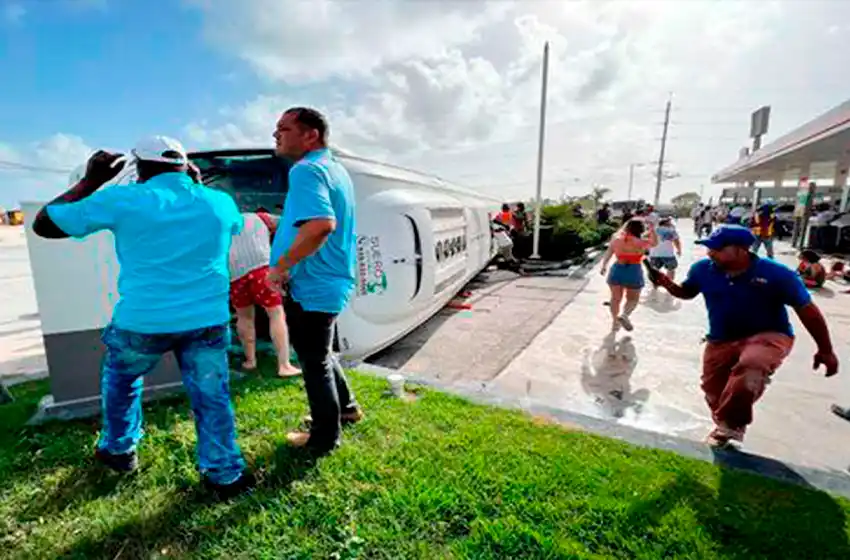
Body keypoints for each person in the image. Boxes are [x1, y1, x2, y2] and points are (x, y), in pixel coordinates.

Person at [31, 137, 254, 497]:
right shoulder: (220, 203)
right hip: (206, 320)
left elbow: (46, 223)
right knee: (212, 394)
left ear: (140, 167)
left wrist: (91, 180)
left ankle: (120, 450)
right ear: (186, 167)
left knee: (122, 381)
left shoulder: (121, 200)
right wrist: (194, 185)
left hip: (143, 321)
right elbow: (233, 228)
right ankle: (224, 473)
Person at [648, 225, 839, 448]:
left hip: (769, 335)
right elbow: (687, 292)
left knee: (752, 364)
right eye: (709, 248)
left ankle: (729, 427)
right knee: (713, 391)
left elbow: (808, 310)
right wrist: (665, 282)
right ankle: (728, 426)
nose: (710, 253)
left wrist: (825, 349)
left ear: (740, 250)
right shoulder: (702, 269)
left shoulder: (777, 274)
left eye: (717, 249)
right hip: (721, 338)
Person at [267, 107, 362, 453]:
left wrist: (280, 266)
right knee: (321, 352)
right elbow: (314, 221)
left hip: (314, 283)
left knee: (314, 360)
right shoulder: (334, 169)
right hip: (330, 279)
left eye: (284, 128)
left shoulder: (306, 170)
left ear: (311, 135)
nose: (276, 135)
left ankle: (324, 438)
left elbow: (321, 225)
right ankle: (347, 409)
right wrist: (280, 225)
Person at [229, 210, 302, 377]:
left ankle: (250, 361)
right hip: (261, 269)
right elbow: (288, 224)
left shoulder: (225, 224)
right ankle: (284, 365)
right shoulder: (260, 217)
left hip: (235, 275)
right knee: (275, 313)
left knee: (244, 317)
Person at [600, 219, 657, 332]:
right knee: (632, 299)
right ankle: (624, 315)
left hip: (617, 270)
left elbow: (609, 252)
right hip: (634, 270)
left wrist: (604, 265)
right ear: (641, 229)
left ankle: (615, 322)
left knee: (615, 299)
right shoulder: (641, 242)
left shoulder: (616, 239)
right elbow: (655, 243)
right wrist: (652, 230)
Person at [648, 216, 682, 282]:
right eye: (670, 222)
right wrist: (679, 250)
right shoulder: (671, 230)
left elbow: (644, 239)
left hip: (654, 254)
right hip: (668, 254)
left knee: (654, 270)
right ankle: (669, 284)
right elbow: (676, 242)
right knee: (671, 269)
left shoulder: (652, 230)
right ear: (667, 223)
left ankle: (655, 286)